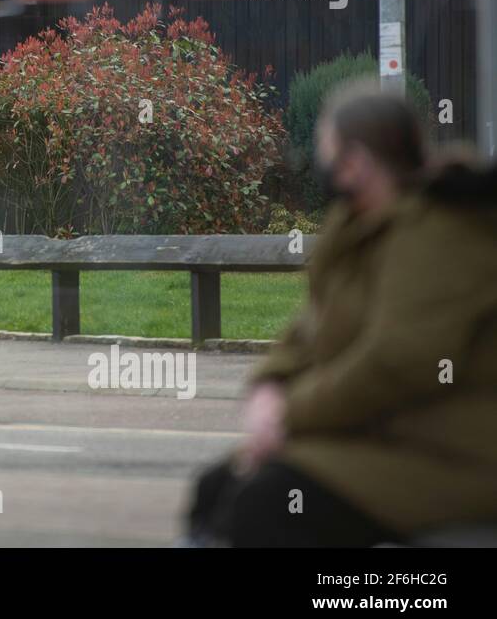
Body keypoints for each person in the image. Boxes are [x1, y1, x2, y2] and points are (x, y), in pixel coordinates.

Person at [185, 81, 497, 546]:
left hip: (449, 454)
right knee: (215, 488)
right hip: (377, 437)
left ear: (355, 162)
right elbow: (310, 325)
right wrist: (270, 387)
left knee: (269, 502)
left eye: (325, 151)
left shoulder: (437, 231)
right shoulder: (355, 226)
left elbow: (397, 361)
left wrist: (291, 415)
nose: (319, 164)